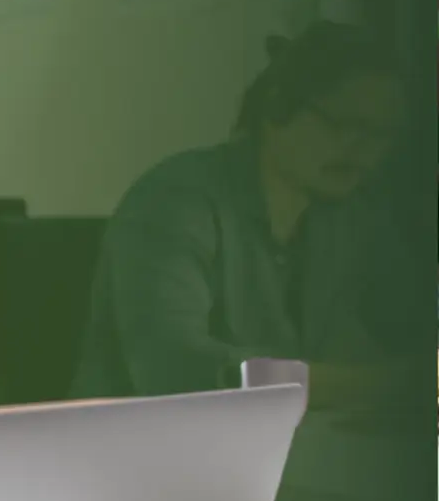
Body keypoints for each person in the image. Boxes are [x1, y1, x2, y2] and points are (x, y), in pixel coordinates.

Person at [73, 21, 415, 405]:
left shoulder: (353, 216)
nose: (363, 149)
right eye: (343, 124)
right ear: (277, 107)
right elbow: (175, 372)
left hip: (295, 438)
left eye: (382, 134)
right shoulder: (175, 201)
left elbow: (406, 325)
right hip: (146, 438)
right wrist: (384, 385)